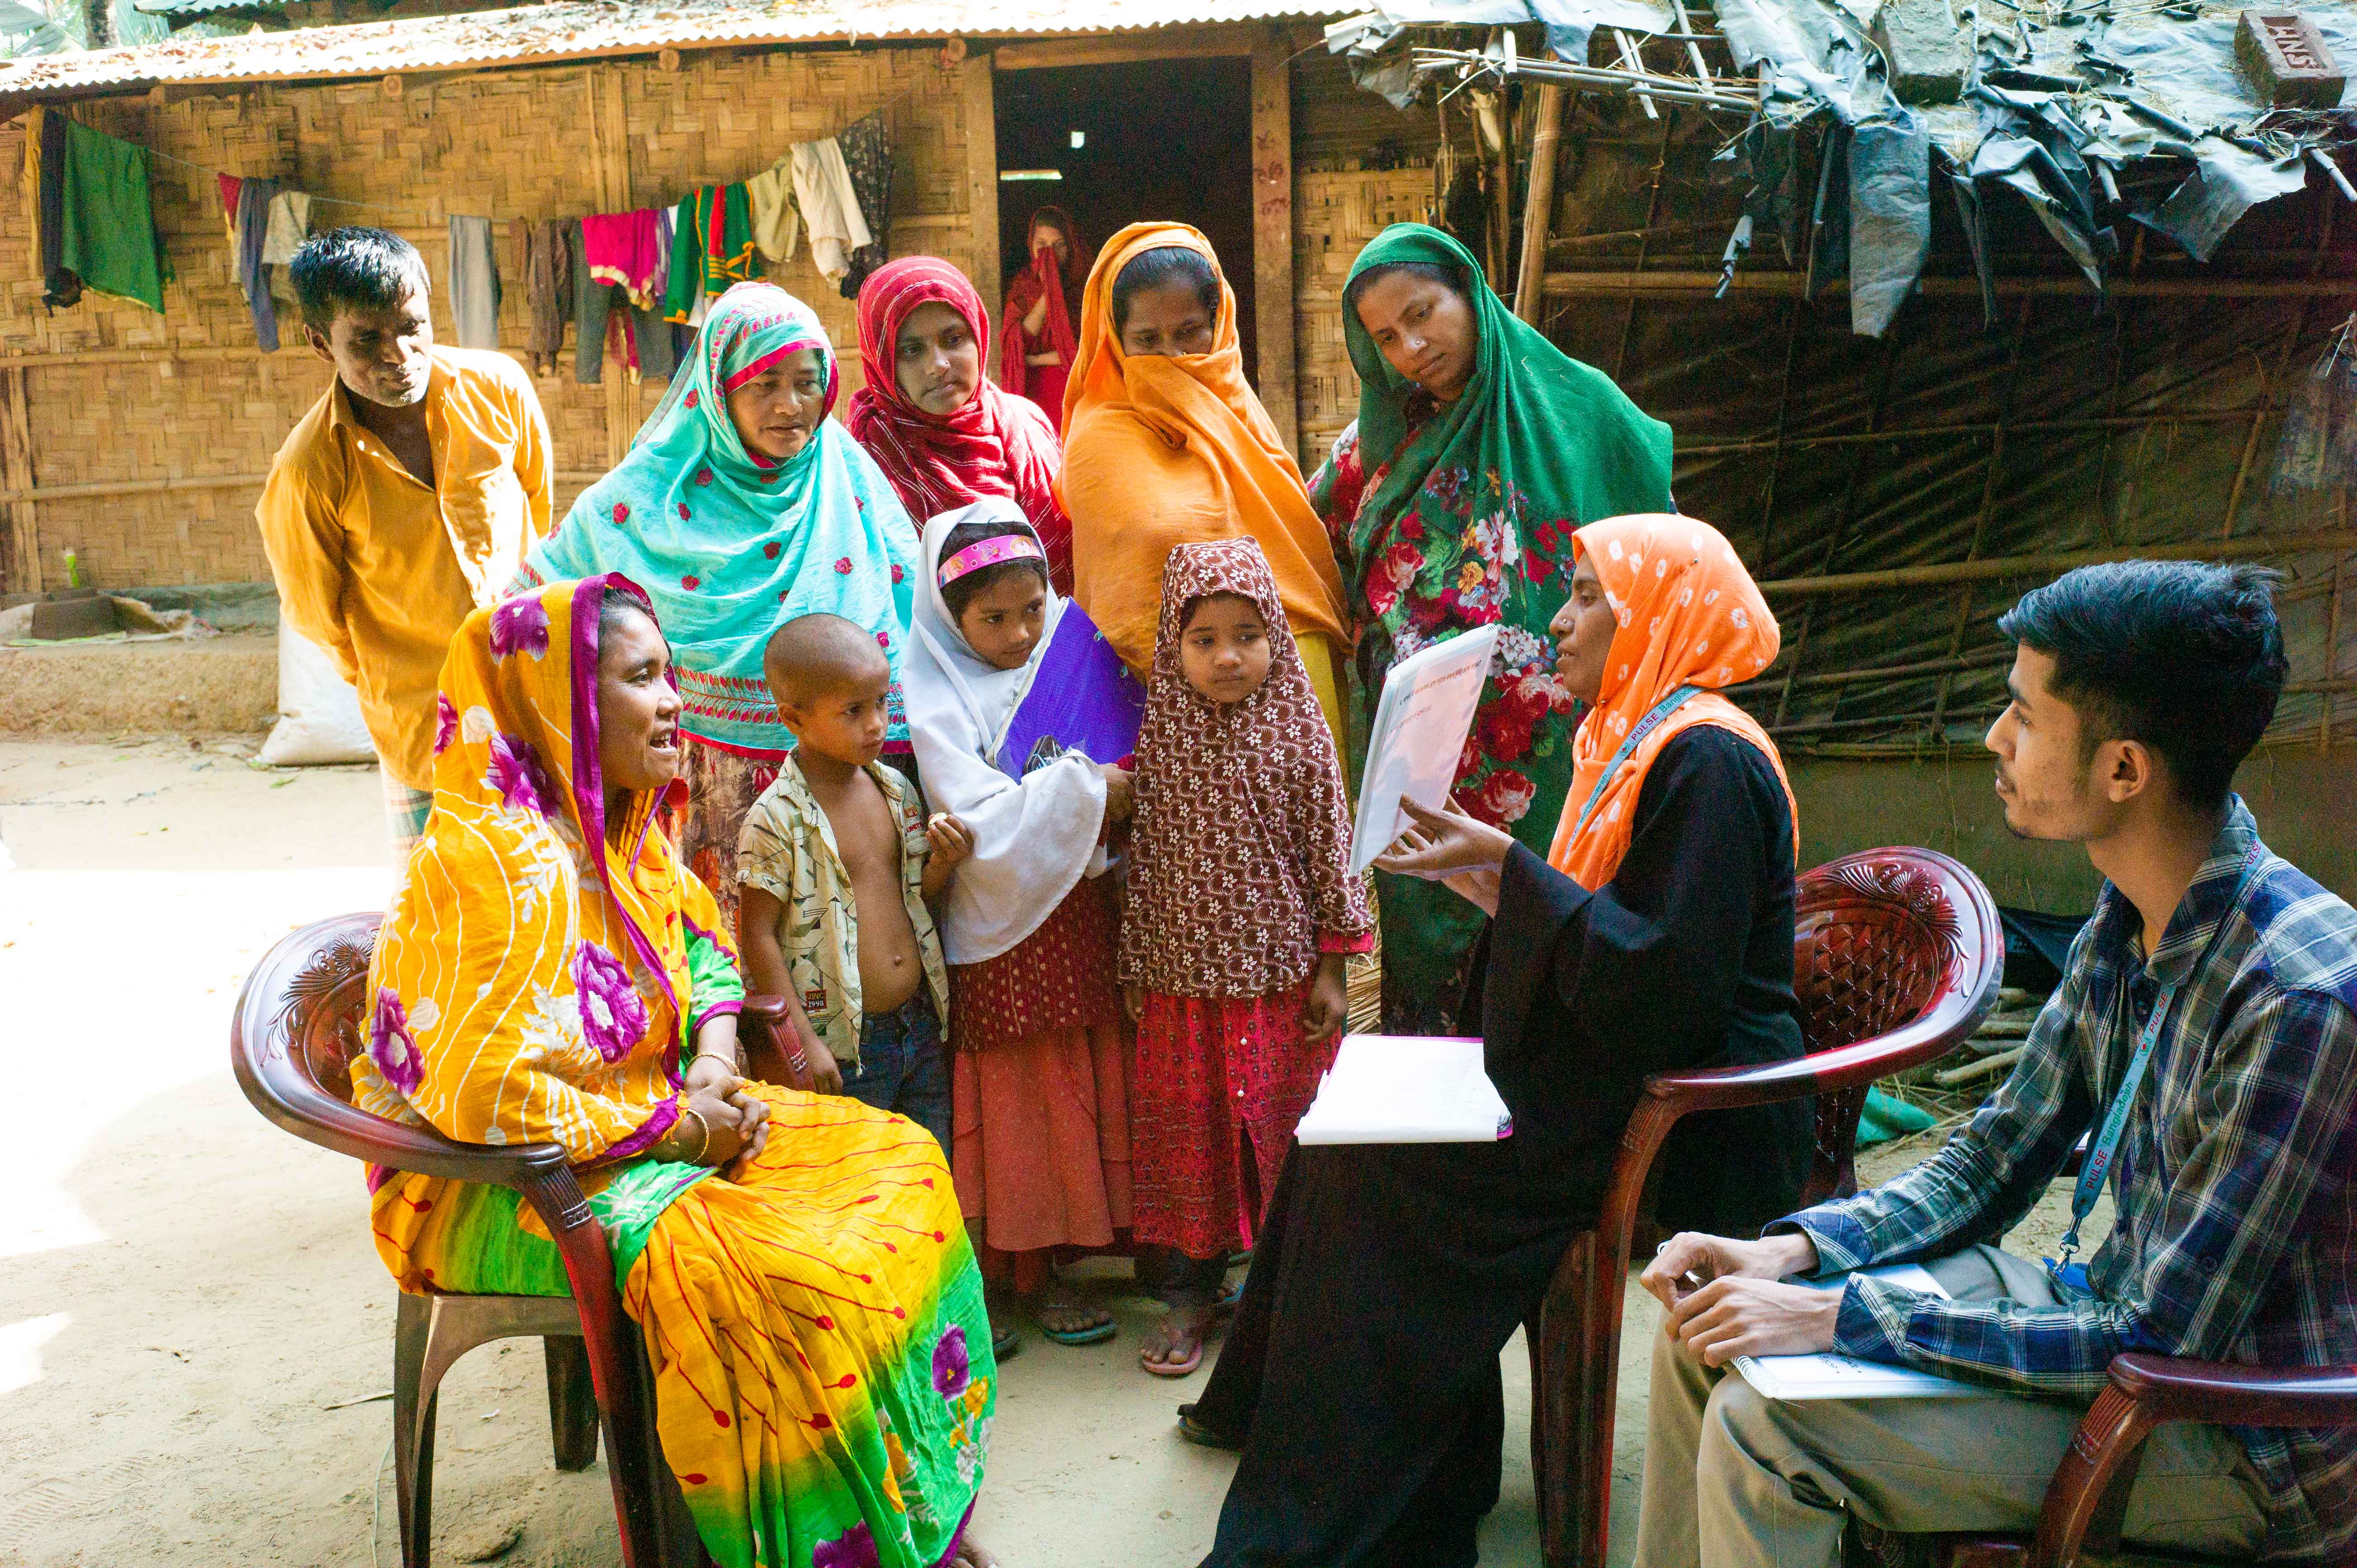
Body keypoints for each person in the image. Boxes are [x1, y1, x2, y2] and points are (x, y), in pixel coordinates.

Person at [1630, 561, 2357, 1568]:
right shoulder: (2132, 913)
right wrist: (1792, 1256)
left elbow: (2157, 1337)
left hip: (2235, 1431)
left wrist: (1841, 1316)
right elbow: (1992, 1159)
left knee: (1769, 1427)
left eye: (2022, 715)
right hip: (2109, 1325)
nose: (1992, 739)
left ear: (2123, 769)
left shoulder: (2293, 1000)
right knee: (1710, 1337)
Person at [1185, 515, 1812, 1566]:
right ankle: (1403, 1460)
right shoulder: (1635, 734)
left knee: (1375, 1168)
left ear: (1655, 613)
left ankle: (1378, 1507)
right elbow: (1615, 938)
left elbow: (1669, 987)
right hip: (1618, 1067)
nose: (1556, 622)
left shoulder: (1705, 762)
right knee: (1344, 1115)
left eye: (1582, 598)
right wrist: (1490, 874)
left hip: (1685, 1111)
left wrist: (1503, 874)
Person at [357, 574, 999, 1568]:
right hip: (501, 1184)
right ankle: (814, 1545)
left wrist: (707, 1062)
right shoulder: (490, 861)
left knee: (898, 1158)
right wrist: (685, 1131)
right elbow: (484, 1092)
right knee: (784, 1276)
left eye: (672, 676)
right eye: (643, 678)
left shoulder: (616, 826)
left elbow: (703, 954)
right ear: (554, 699)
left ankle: (895, 1512)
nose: (674, 704)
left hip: (643, 1123)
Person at [1313, 222, 1673, 1034]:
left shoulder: (1585, 411)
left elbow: (1660, 560)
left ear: (1468, 292)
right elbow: (1314, 556)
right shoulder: (1369, 452)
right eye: (1385, 337)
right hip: (1422, 760)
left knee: (1554, 926)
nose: (1411, 346)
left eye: (1422, 313)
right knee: (1433, 969)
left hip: (1556, 755)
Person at [516, 281, 918, 929]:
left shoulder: (846, 472)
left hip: (847, 774)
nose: (791, 406)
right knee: (731, 964)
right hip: (709, 787)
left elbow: (911, 599)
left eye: (807, 382)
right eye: (763, 384)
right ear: (717, 388)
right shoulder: (649, 491)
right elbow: (533, 606)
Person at [1121, 538, 1374, 1380]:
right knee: (1190, 1139)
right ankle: (1192, 1295)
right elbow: (1146, 864)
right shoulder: (1160, 739)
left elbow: (1330, 853)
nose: (1227, 656)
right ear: (1173, 646)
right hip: (1181, 986)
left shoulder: (1301, 737)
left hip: (1282, 986)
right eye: (1203, 640)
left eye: (1247, 634)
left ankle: (1291, 1297)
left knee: (1289, 1135)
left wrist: (1334, 971)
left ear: (1275, 638)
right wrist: (1138, 971)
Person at [904, 499, 1136, 1347]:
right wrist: (1087, 787)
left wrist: (1104, 782)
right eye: (991, 617)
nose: (1017, 632)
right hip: (998, 931)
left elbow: (1117, 747)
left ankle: (1065, 1261)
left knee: (1078, 1071)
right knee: (1017, 1092)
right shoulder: (931, 692)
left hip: (1073, 910)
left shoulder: (1074, 654)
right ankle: (1006, 1271)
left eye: (1032, 610)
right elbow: (976, 815)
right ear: (947, 614)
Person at [256, 226, 554, 856]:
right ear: (320, 343)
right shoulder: (310, 468)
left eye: (413, 326)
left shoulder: (499, 389)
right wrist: (394, 677)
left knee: (558, 887)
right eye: (366, 340)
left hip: (537, 696)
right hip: (424, 727)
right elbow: (316, 612)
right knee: (443, 909)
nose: (399, 354)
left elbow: (539, 508)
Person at [1061, 222, 1354, 755]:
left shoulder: (1241, 415)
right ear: (1115, 339)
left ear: (1219, 327)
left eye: (1190, 332)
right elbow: (1130, 595)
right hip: (1178, 707)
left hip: (1296, 681)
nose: (1173, 358)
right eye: (1148, 340)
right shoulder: (1097, 439)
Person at [737, 613, 970, 1153]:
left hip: (920, 1023)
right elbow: (757, 936)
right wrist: (804, 1044)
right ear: (794, 719)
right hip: (846, 1045)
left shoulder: (895, 790)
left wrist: (944, 862)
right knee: (862, 1184)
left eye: (882, 703)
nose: (877, 724)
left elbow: (916, 897)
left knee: (928, 1169)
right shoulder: (775, 817)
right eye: (853, 711)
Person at [847, 256, 1075, 591]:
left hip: (1052, 637)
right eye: (911, 350)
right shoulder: (865, 461)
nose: (938, 366)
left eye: (953, 339)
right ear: (882, 360)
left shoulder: (1027, 423)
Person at [998, 205, 1082, 433]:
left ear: (1071, 246)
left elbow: (1083, 352)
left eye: (1059, 245)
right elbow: (1017, 344)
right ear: (1031, 245)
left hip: (1074, 391)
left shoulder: (1083, 284)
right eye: (1042, 246)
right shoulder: (1023, 285)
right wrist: (1049, 293)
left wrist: (1034, 361)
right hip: (1033, 393)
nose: (1050, 254)